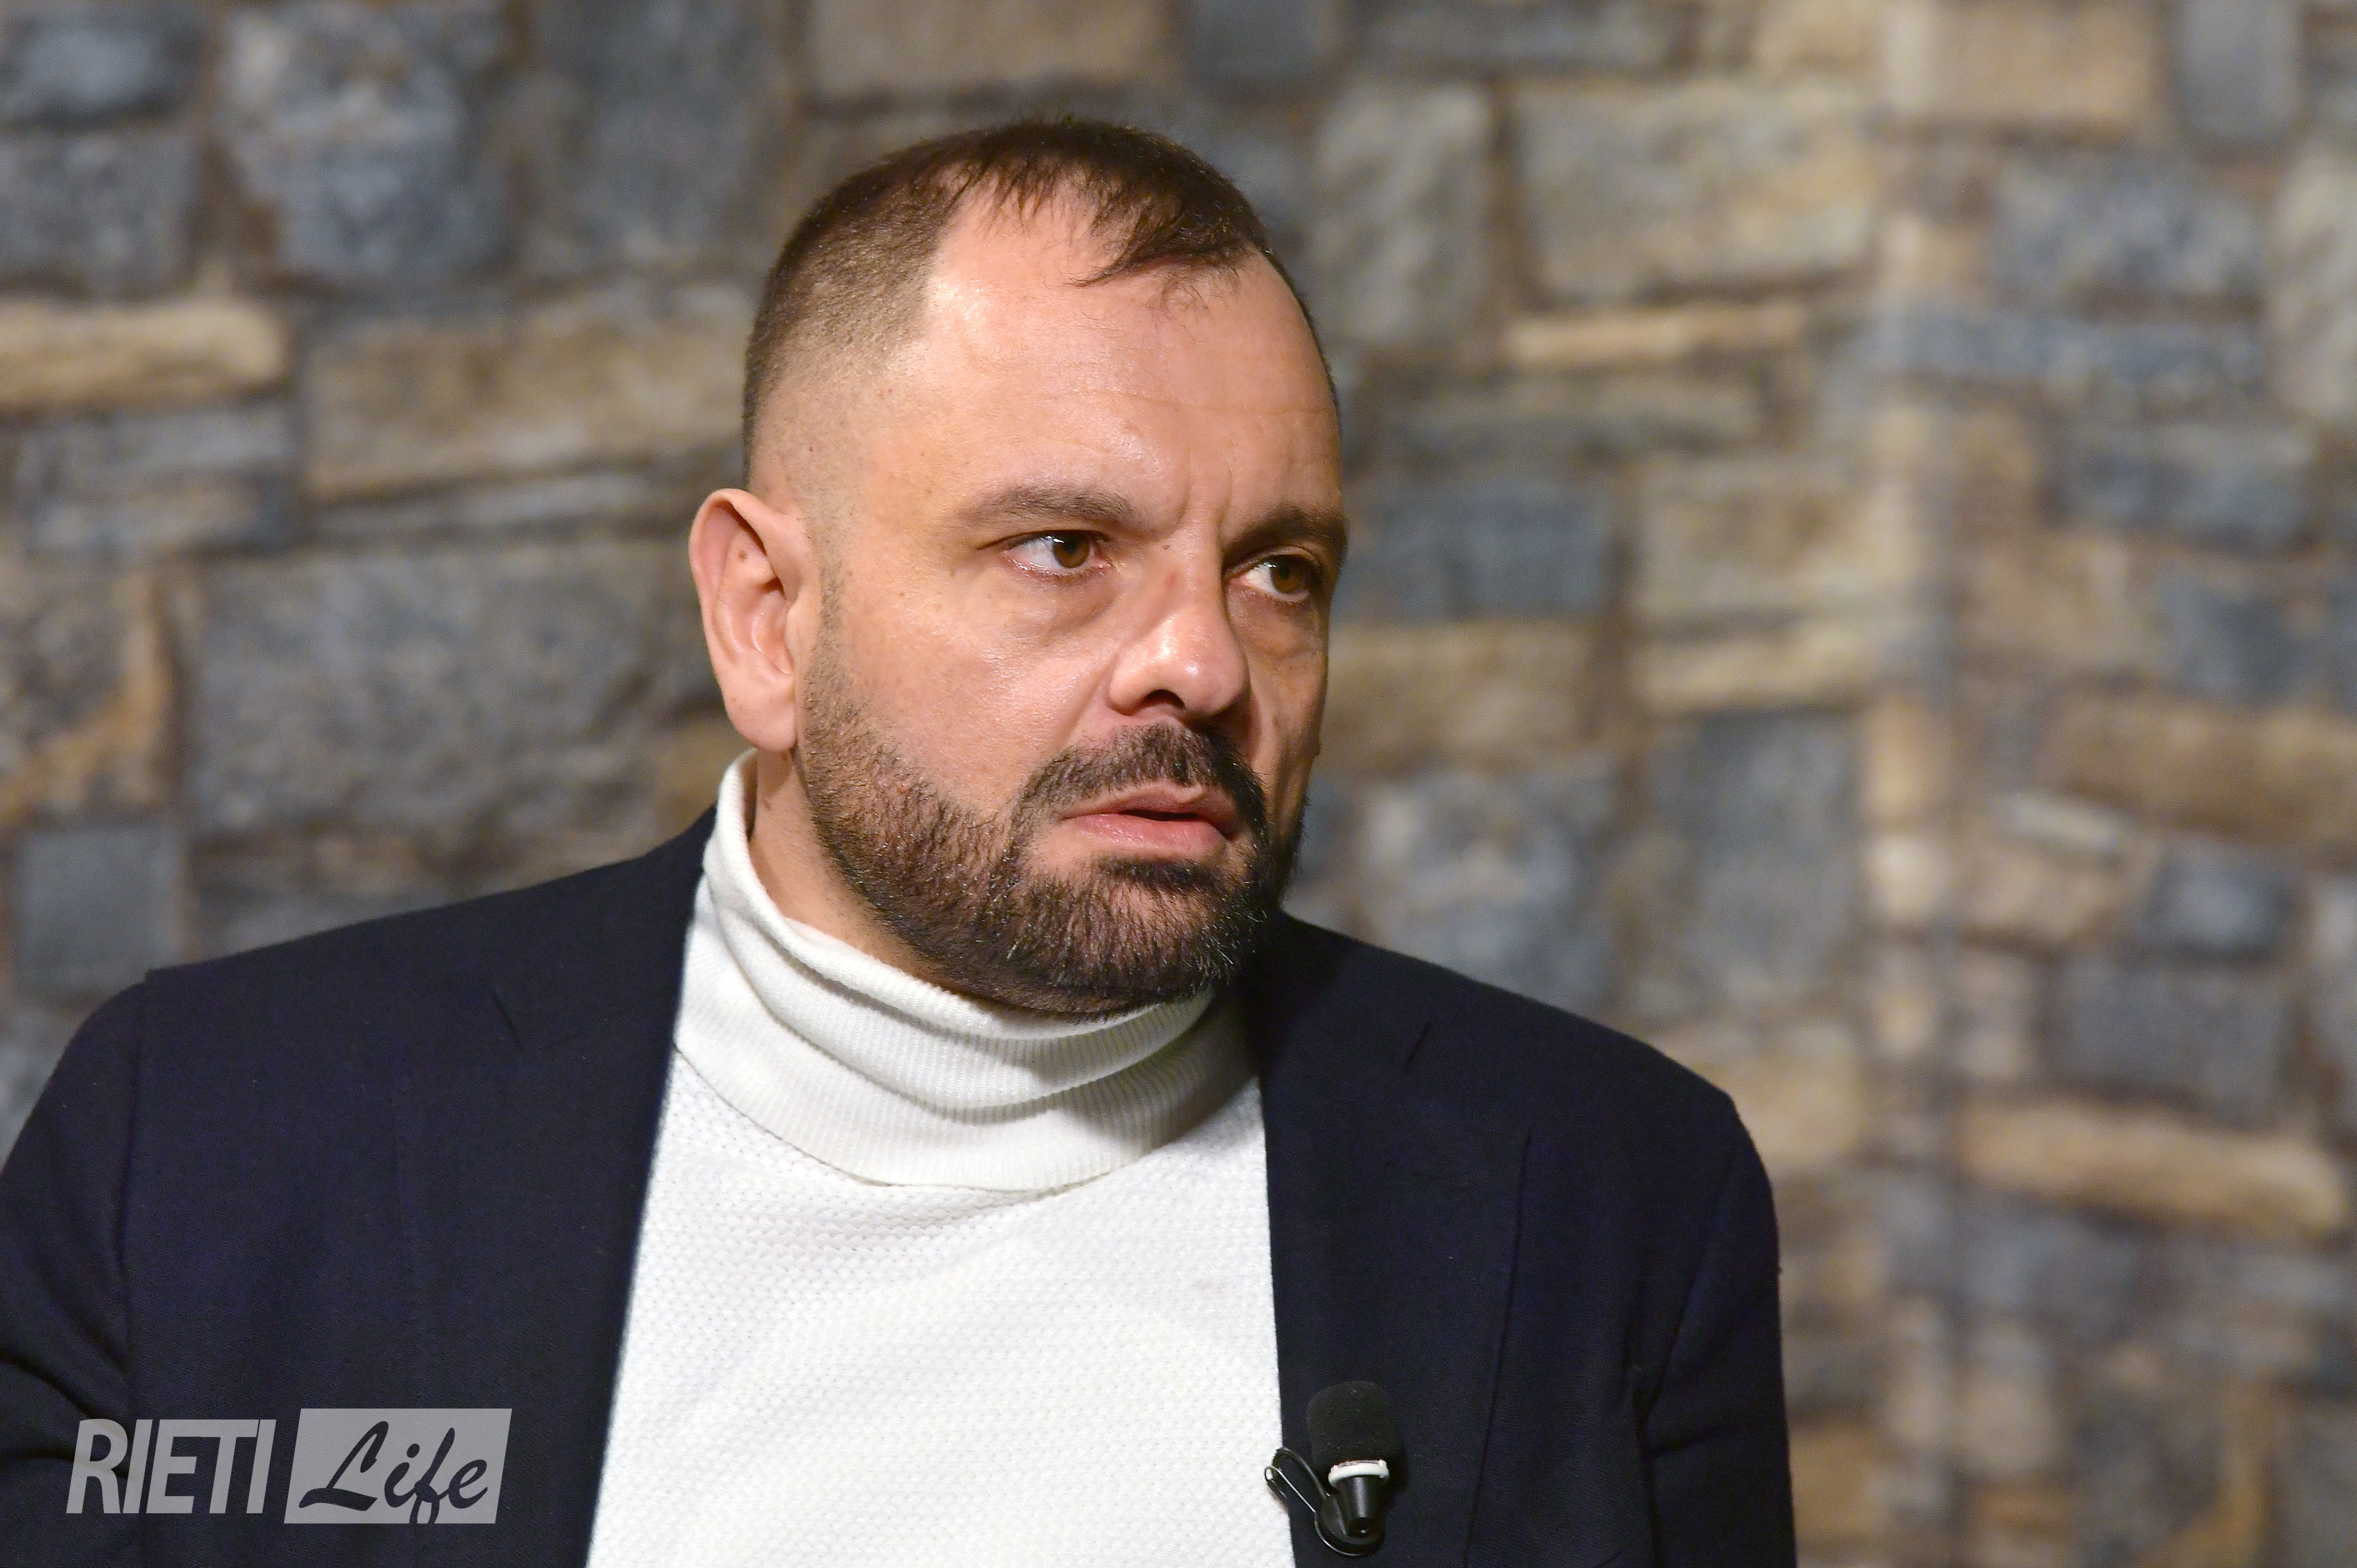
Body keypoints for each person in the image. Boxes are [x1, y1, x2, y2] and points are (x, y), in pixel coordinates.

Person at [0, 120, 1792, 1566]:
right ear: (767, 620)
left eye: (1280, 569)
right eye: (1064, 549)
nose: (1202, 661)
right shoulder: (210, 1154)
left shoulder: (1606, 1198)